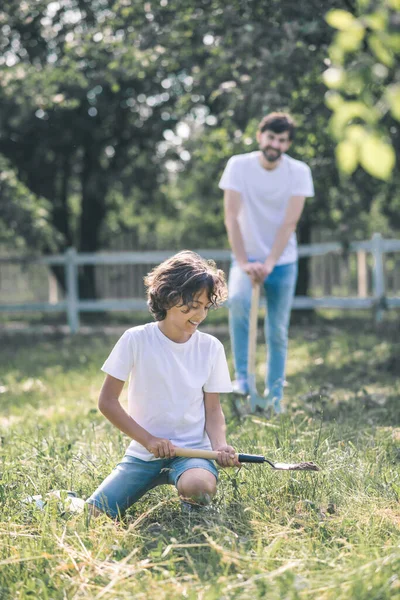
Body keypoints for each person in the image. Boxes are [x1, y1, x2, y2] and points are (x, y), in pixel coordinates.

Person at [86, 250, 238, 519]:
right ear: (168, 297)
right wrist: (149, 441)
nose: (199, 314)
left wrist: (220, 446)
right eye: (192, 305)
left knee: (199, 487)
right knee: (92, 517)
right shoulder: (135, 340)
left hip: (193, 453)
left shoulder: (211, 347)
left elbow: (213, 410)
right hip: (143, 454)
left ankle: (193, 513)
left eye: (205, 306)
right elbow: (107, 402)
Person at [219, 112, 314, 413]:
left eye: (282, 140)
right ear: (260, 136)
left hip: (282, 261)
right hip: (244, 259)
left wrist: (270, 263)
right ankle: (243, 383)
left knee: (277, 329)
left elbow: (289, 223)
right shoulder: (238, 166)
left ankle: (275, 398)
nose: (275, 144)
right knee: (237, 304)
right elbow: (231, 216)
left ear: (288, 144)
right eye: (271, 137)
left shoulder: (299, 171)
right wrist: (246, 262)